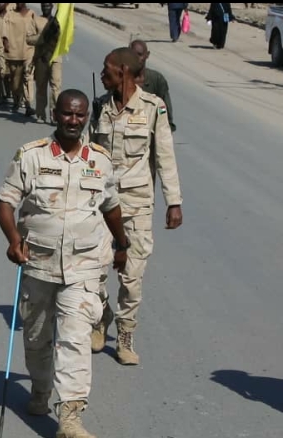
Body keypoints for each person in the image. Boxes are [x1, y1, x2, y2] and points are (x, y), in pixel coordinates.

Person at [0, 89, 129, 438]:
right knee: (36, 337)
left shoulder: (99, 160)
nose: (73, 120)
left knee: (75, 339)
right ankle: (40, 389)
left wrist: (122, 244)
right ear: (56, 114)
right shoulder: (31, 155)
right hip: (38, 264)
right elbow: (6, 203)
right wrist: (13, 240)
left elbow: (111, 206)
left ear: (86, 117)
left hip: (83, 265)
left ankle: (70, 417)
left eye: (80, 115)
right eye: (67, 114)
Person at [89, 47, 183, 365]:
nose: (102, 74)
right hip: (102, 204)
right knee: (95, 270)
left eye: (107, 68)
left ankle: (125, 334)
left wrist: (174, 202)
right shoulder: (100, 106)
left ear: (124, 72)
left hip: (137, 204)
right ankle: (100, 317)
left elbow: (165, 156)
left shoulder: (153, 108)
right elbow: (88, 151)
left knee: (131, 278)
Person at [130, 39, 176, 131]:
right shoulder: (121, 79)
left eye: (139, 55)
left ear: (147, 55)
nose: (136, 59)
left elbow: (163, 108)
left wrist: (163, 125)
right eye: (132, 55)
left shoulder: (156, 80)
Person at [32, 3, 62, 125]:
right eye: (44, 5)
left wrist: (57, 30)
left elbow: (64, 37)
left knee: (56, 87)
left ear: (52, 7)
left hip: (55, 57)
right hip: (41, 58)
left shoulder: (58, 21)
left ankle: (54, 114)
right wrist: (42, 38)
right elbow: (29, 38)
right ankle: (40, 114)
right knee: (41, 87)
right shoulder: (36, 20)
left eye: (48, 5)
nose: (46, 7)